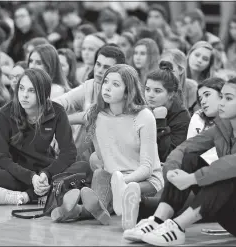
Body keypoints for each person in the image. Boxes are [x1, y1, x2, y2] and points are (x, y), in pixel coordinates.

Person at [123, 76, 236, 245]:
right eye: (222, 97)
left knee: (229, 172)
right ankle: (158, 220)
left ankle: (177, 227)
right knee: (190, 158)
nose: (221, 103)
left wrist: (192, 178)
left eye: (228, 98)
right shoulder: (223, 126)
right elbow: (185, 148)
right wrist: (172, 172)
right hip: (235, 220)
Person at [51, 64, 164, 228]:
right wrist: (56, 124)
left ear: (128, 92)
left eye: (115, 84)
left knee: (127, 191)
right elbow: (83, 127)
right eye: (106, 82)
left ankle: (79, 211)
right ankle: (75, 211)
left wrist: (121, 182)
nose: (107, 88)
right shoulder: (95, 114)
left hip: (144, 181)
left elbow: (147, 167)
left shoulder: (144, 116)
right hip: (111, 177)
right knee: (99, 178)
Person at [0, 68, 92, 205]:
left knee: (84, 168)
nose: (24, 95)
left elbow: (69, 153)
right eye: (21, 88)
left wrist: (46, 174)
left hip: (46, 172)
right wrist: (30, 177)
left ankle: (25, 196)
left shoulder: (57, 112)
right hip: (18, 173)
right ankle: (48, 194)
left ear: (43, 93)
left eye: (31, 91)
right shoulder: (5, 113)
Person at [54, 45, 126, 162]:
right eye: (98, 64)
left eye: (106, 67)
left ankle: (66, 159)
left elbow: (89, 117)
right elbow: (62, 102)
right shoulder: (91, 86)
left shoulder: (122, 93)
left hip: (112, 156)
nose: (99, 70)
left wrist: (60, 120)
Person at [144, 61, 191, 162]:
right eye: (147, 89)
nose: (150, 95)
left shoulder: (182, 117)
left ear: (171, 94)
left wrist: (160, 122)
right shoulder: (144, 109)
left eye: (157, 91)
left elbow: (167, 156)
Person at [161, 49, 199, 114]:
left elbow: (199, 119)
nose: (164, 72)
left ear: (181, 69)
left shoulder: (192, 88)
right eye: (161, 67)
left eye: (168, 68)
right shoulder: (155, 85)